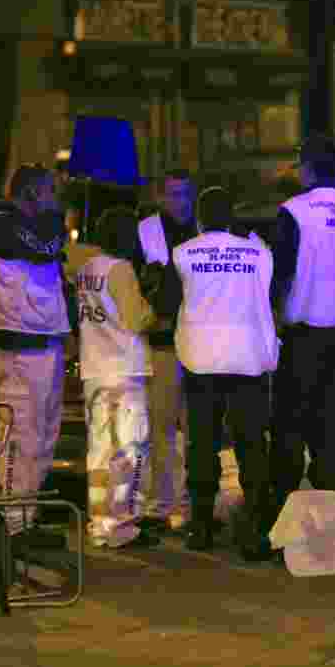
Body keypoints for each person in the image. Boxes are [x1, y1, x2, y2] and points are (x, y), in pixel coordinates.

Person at [167, 186, 278, 558]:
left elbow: (169, 300)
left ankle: (200, 527)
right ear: (232, 217)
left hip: (201, 363)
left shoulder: (182, 253)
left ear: (199, 218)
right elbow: (269, 291)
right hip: (247, 360)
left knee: (202, 443)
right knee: (251, 445)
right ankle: (256, 529)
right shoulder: (258, 253)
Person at [0, 164, 72, 551]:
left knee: (43, 436)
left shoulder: (37, 224)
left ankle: (26, 517)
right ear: (30, 194)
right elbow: (45, 248)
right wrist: (56, 226)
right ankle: (12, 524)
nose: (54, 201)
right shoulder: (0, 225)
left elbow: (50, 250)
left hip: (43, 342)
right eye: (49, 193)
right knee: (18, 435)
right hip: (16, 346)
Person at [271, 134, 335, 515]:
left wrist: (271, 314)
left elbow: (282, 273)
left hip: (306, 333)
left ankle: (288, 507)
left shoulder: (294, 210)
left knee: (293, 421)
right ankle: (334, 502)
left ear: (306, 169)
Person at [77, 206, 167, 549]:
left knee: (99, 451)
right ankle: (123, 525)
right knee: (130, 449)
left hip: (95, 370)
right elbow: (135, 319)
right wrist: (153, 303)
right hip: (124, 370)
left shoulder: (87, 269)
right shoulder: (122, 269)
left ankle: (99, 523)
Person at [136, 168, 198, 533]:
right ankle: (160, 505)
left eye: (185, 193)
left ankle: (191, 506)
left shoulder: (204, 228)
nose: (180, 201)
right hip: (162, 343)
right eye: (173, 194)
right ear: (160, 197)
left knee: (196, 430)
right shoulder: (146, 231)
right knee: (161, 427)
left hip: (199, 344)